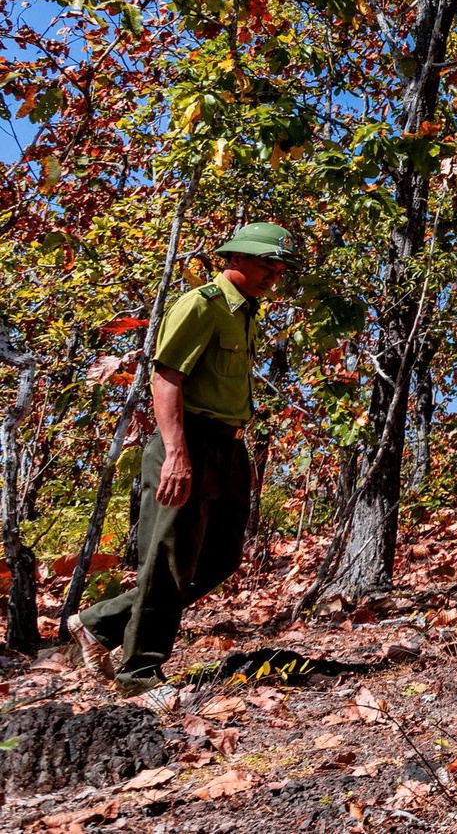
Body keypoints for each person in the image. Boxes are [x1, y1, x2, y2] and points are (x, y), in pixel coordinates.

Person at [71, 222, 295, 709]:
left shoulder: (246, 313)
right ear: (235, 258)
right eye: (265, 264)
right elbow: (167, 378)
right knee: (169, 560)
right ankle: (139, 673)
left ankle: (100, 624)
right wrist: (176, 453)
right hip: (187, 439)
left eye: (279, 268)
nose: (273, 274)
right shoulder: (201, 305)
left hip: (227, 446)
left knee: (221, 559)